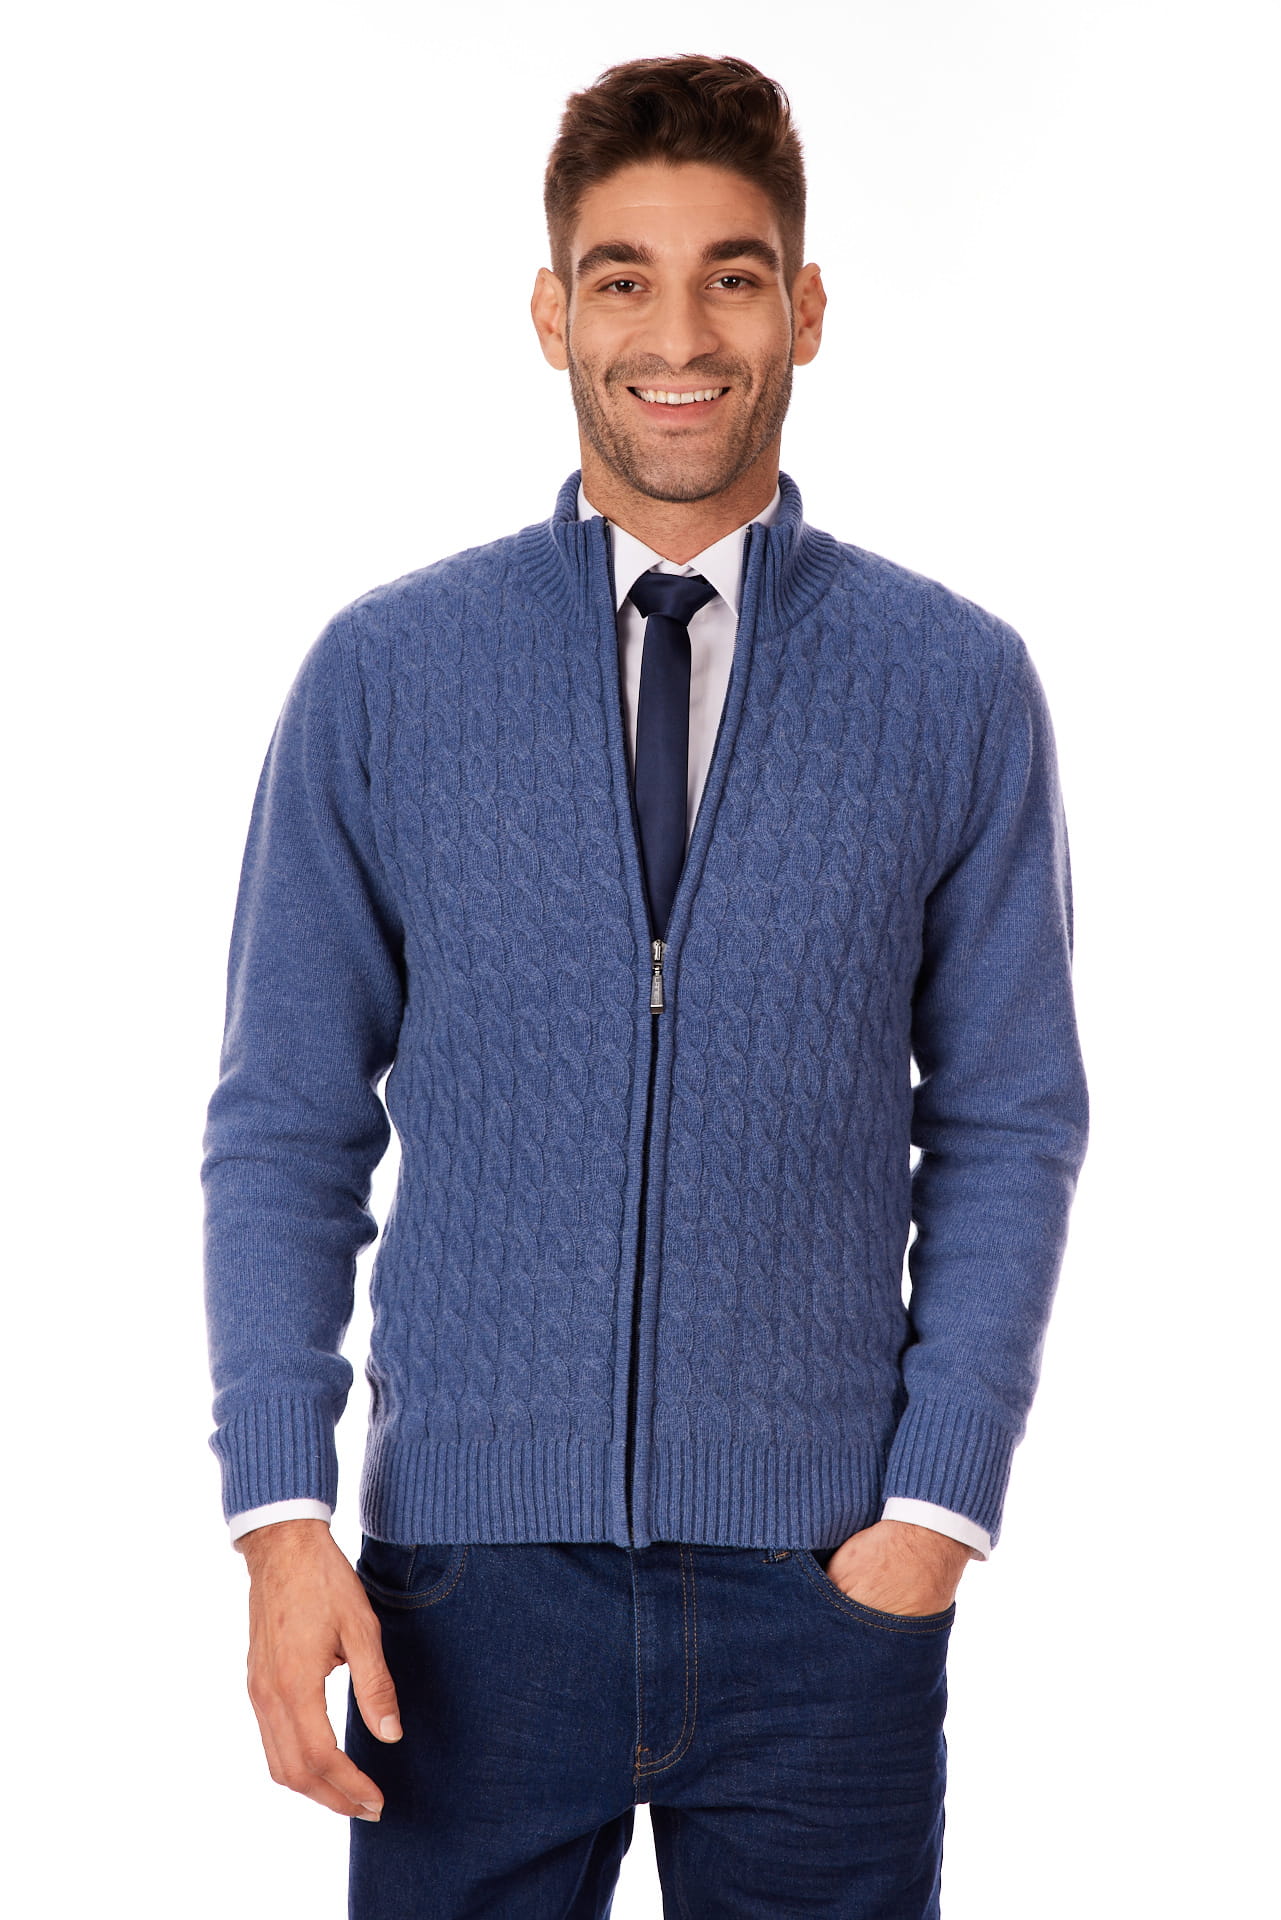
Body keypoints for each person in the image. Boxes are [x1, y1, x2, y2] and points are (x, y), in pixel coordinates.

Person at [202, 52, 1089, 1920]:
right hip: (461, 1598)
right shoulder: (384, 677)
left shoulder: (952, 685)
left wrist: (930, 1517)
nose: (677, 336)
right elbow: (284, 1121)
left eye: (730, 277)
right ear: (552, 313)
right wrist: (281, 1519)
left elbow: (1010, 1118)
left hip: (823, 1599)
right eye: (623, 278)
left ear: (805, 308)